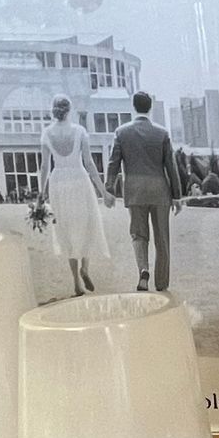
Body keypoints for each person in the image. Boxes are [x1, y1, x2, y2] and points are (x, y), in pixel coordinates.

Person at [106, 91, 184, 291]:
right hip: (160, 192)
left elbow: (113, 163)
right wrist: (177, 195)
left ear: (134, 106)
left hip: (135, 192)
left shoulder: (122, 132)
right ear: (149, 107)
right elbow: (171, 166)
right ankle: (162, 282)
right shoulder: (161, 133)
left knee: (139, 235)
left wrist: (109, 189)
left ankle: (143, 270)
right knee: (162, 239)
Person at [39, 95, 111, 296]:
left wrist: (40, 193)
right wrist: (102, 190)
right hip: (79, 179)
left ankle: (76, 284)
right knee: (86, 224)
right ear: (69, 110)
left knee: (67, 229)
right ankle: (85, 268)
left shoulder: (47, 133)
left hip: (59, 182)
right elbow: (89, 163)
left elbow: (45, 166)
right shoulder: (79, 132)